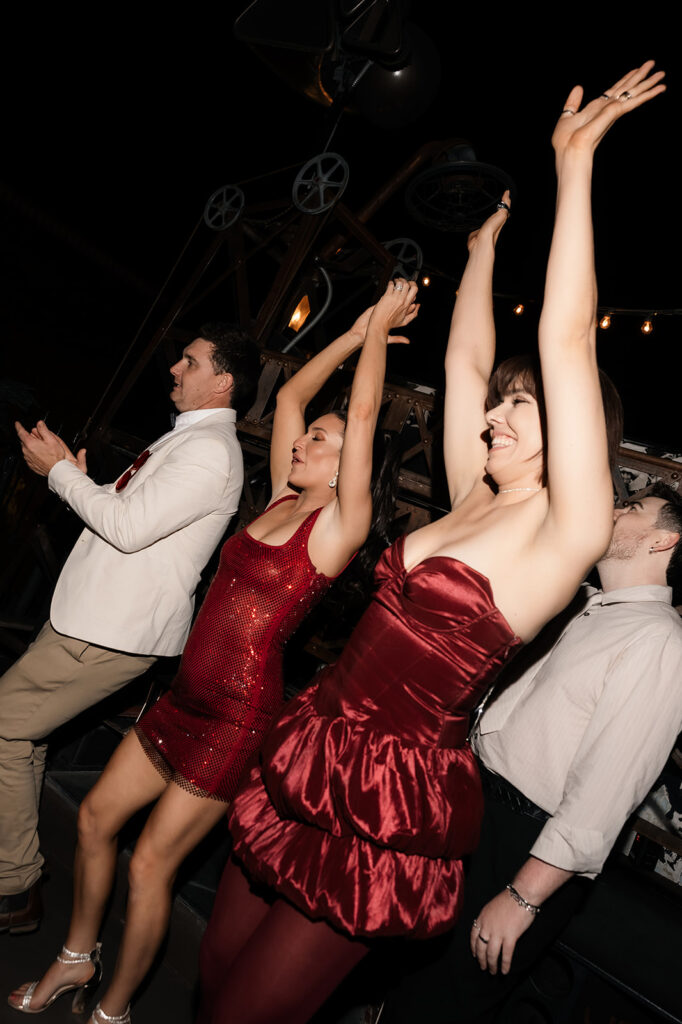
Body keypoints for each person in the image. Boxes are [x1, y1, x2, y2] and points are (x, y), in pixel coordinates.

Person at [195, 62, 666, 1024]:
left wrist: (575, 166)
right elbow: (463, 357)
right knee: (213, 978)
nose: (494, 416)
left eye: (520, 408)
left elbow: (569, 341)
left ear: (575, 432)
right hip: (314, 742)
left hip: (387, 800)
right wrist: (483, 249)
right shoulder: (469, 497)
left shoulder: (564, 536)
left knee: (249, 1012)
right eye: (499, 405)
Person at [8, 280, 419, 1024]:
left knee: (149, 866)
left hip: (236, 716)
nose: (301, 441)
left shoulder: (337, 529)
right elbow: (290, 392)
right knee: (96, 819)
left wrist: (377, 347)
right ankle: (75, 958)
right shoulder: (281, 500)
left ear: (347, 465)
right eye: (305, 436)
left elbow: (362, 416)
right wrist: (356, 333)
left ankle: (114, 1010)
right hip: (183, 697)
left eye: (319, 441)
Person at [381, 483, 682, 1022]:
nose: (614, 510)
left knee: (439, 1005)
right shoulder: (583, 600)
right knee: (401, 981)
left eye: (633, 508)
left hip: (520, 845)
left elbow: (604, 794)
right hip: (468, 806)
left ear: (664, 541)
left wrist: (523, 897)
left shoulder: (660, 641)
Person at [0, 323, 259, 937]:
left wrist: (59, 475)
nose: (174, 368)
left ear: (223, 380)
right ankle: (15, 872)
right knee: (22, 737)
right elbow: (132, 520)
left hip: (106, 634)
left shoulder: (209, 450)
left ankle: (14, 885)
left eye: (190, 361)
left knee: (5, 729)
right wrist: (76, 479)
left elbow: (127, 529)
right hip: (91, 622)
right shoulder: (191, 439)